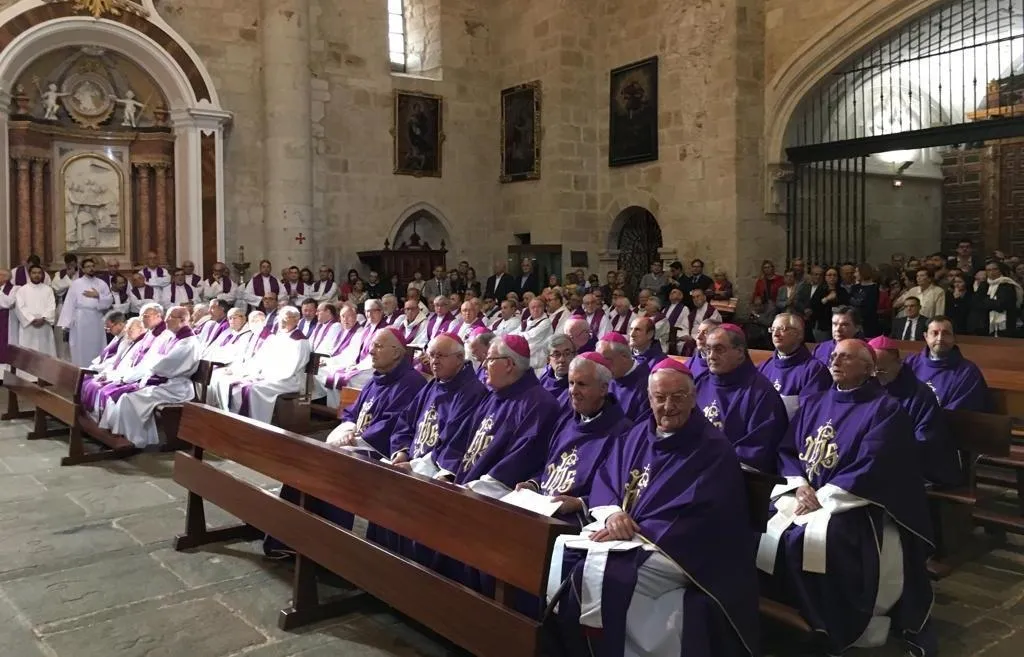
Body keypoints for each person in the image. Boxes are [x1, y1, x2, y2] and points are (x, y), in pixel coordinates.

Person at [548, 358, 758, 657]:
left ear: (693, 397)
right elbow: (608, 476)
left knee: (606, 578)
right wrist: (613, 514)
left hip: (683, 552)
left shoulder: (711, 448)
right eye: (660, 398)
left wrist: (635, 532)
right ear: (650, 398)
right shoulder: (638, 434)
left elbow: (701, 516)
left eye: (677, 397)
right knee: (563, 557)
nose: (668, 406)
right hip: (630, 536)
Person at [758, 339, 936, 657]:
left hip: (853, 502)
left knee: (815, 538)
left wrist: (822, 496)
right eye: (834, 356)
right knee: (763, 522)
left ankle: (829, 621)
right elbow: (787, 449)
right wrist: (799, 485)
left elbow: (875, 463)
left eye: (847, 357)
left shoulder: (885, 410)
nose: (836, 361)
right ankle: (772, 610)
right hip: (805, 492)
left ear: (868, 369)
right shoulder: (814, 402)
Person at [431, 335, 560, 497]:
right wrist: (447, 474)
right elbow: (462, 441)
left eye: (490, 359)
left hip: (491, 498)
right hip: (463, 488)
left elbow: (519, 462)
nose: (484, 365)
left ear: (508, 364)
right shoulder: (492, 396)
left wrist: (472, 490)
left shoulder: (540, 404)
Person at [517, 352, 631, 526]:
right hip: (543, 508)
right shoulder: (566, 420)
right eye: (571, 383)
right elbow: (551, 468)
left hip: (577, 522)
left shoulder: (623, 433)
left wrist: (580, 503)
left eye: (582, 384)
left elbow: (616, 490)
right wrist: (533, 484)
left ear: (603, 389)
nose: (573, 391)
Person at [869, 336, 962, 487]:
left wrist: (887, 454)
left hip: (917, 467)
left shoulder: (919, 395)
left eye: (881, 370)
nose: (875, 376)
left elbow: (926, 439)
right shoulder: (868, 389)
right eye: (871, 370)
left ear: (899, 364)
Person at [696, 324, 789, 472]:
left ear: (740, 352)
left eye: (719, 350)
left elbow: (757, 451)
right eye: (708, 349)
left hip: (728, 475)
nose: (711, 356)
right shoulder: (699, 383)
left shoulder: (761, 394)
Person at [324, 327, 426, 457]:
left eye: (378, 346)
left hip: (381, 449)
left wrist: (352, 440)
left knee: (337, 454)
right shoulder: (375, 379)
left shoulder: (411, 383)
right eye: (372, 346)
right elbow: (352, 412)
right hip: (357, 440)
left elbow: (392, 424)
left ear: (395, 354)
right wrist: (347, 431)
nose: (371, 351)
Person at [106, 306, 199, 447]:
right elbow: (157, 359)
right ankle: (129, 438)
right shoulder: (173, 338)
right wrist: (151, 366)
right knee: (126, 397)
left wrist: (150, 367)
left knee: (128, 399)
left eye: (170, 317)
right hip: (165, 383)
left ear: (182, 320)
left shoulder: (188, 343)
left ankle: (135, 440)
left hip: (176, 388)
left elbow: (165, 364)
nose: (166, 320)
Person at [208, 307, 311, 424]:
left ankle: (257, 424)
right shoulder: (280, 337)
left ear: (297, 320)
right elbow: (265, 359)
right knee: (239, 386)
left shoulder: (300, 341)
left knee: (254, 389)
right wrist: (256, 373)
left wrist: (265, 375)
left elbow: (291, 369)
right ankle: (237, 420)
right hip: (273, 376)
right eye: (280, 318)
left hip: (290, 381)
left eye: (286, 318)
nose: (281, 321)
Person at [904, 316, 990, 412]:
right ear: (926, 337)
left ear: (954, 338)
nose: (940, 338)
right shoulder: (910, 362)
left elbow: (958, 413)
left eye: (946, 333)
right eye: (934, 333)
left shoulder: (968, 372)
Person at [757, 313, 831, 418]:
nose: (776, 334)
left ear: (799, 334)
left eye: (782, 329)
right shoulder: (764, 367)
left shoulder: (814, 370)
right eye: (773, 329)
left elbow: (810, 415)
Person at [596, 332, 651, 422]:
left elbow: (640, 429)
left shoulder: (646, 386)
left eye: (607, 360)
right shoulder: (606, 377)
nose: (602, 367)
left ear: (624, 357)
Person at [15, 265, 57, 357]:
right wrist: (32, 319)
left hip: (44, 325)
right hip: (29, 326)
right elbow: (20, 307)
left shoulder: (48, 289)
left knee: (45, 352)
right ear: (30, 274)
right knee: (28, 353)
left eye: (39, 273)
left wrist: (44, 318)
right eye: (34, 273)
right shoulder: (22, 290)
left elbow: (51, 306)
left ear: (42, 275)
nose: (36, 275)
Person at [538, 332, 575, 404]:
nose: (562, 359)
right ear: (548, 360)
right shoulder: (543, 377)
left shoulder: (578, 383)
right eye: (556, 354)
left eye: (567, 354)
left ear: (574, 355)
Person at [517, 297, 552, 373]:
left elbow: (529, 337)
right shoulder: (526, 322)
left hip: (538, 365)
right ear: (529, 310)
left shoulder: (546, 322)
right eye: (533, 307)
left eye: (539, 306)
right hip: (524, 362)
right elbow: (514, 334)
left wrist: (518, 337)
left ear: (544, 308)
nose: (536, 309)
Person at [0, 269, 18, 368]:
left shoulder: (15, 289)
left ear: (5, 278)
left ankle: (3, 375)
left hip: (8, 322)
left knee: (5, 347)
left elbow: (9, 302)